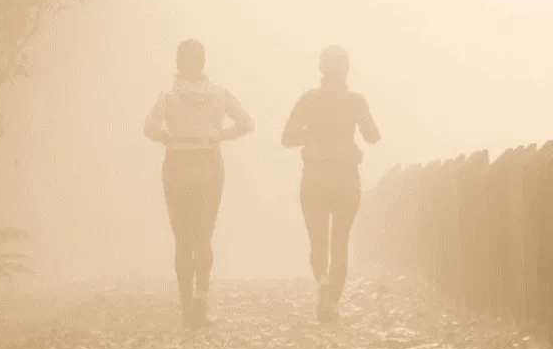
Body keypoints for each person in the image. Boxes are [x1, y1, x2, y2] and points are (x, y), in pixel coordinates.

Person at [143, 39, 255, 329]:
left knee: (183, 239)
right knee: (204, 237)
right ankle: (201, 304)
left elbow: (149, 128)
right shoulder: (219, 95)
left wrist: (167, 137)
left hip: (178, 167)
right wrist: (221, 135)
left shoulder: (168, 98)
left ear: (179, 63)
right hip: (208, 165)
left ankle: (185, 308)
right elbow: (246, 122)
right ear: (203, 63)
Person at [282, 45, 381, 324]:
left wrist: (312, 133)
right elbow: (373, 135)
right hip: (347, 178)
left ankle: (323, 283)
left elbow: (287, 138)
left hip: (314, 177)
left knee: (318, 241)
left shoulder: (308, 100)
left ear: (321, 69)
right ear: (346, 70)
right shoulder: (355, 101)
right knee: (340, 242)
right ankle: (333, 303)